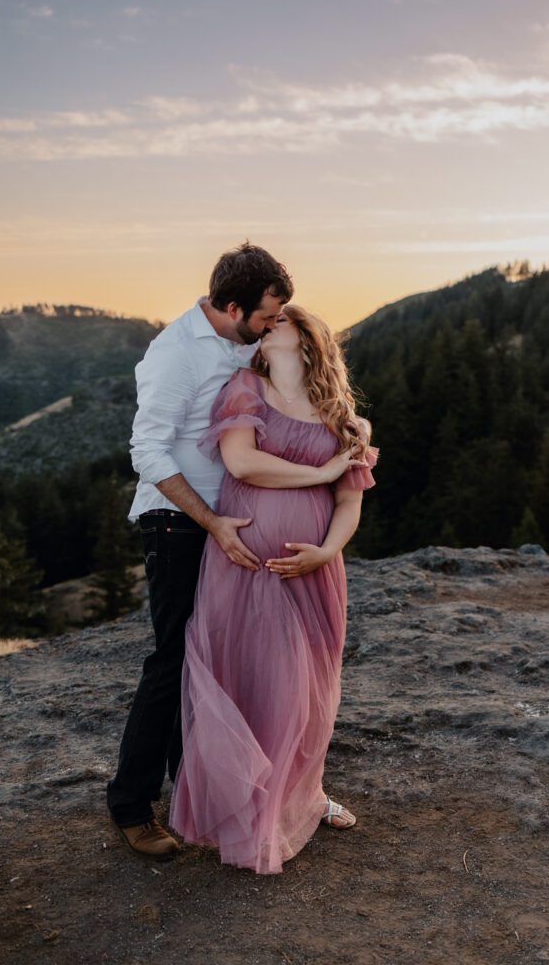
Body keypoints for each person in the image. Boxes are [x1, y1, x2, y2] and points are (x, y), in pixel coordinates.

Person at [107, 243, 354, 859]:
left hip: (234, 521)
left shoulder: (249, 342)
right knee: (175, 660)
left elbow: (300, 378)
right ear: (236, 306)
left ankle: (213, 790)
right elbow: (148, 452)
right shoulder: (174, 354)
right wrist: (212, 521)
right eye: (270, 313)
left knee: (218, 660)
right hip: (182, 519)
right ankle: (132, 806)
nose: (276, 324)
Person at [168, 304, 379, 874]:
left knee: (308, 689)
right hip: (245, 564)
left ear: (309, 336)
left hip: (313, 572)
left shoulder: (345, 418)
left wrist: (327, 551)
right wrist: (320, 473)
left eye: (283, 317)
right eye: (268, 319)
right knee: (253, 678)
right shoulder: (245, 388)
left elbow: (350, 502)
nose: (270, 323)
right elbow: (242, 463)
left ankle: (302, 799)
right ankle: (247, 809)